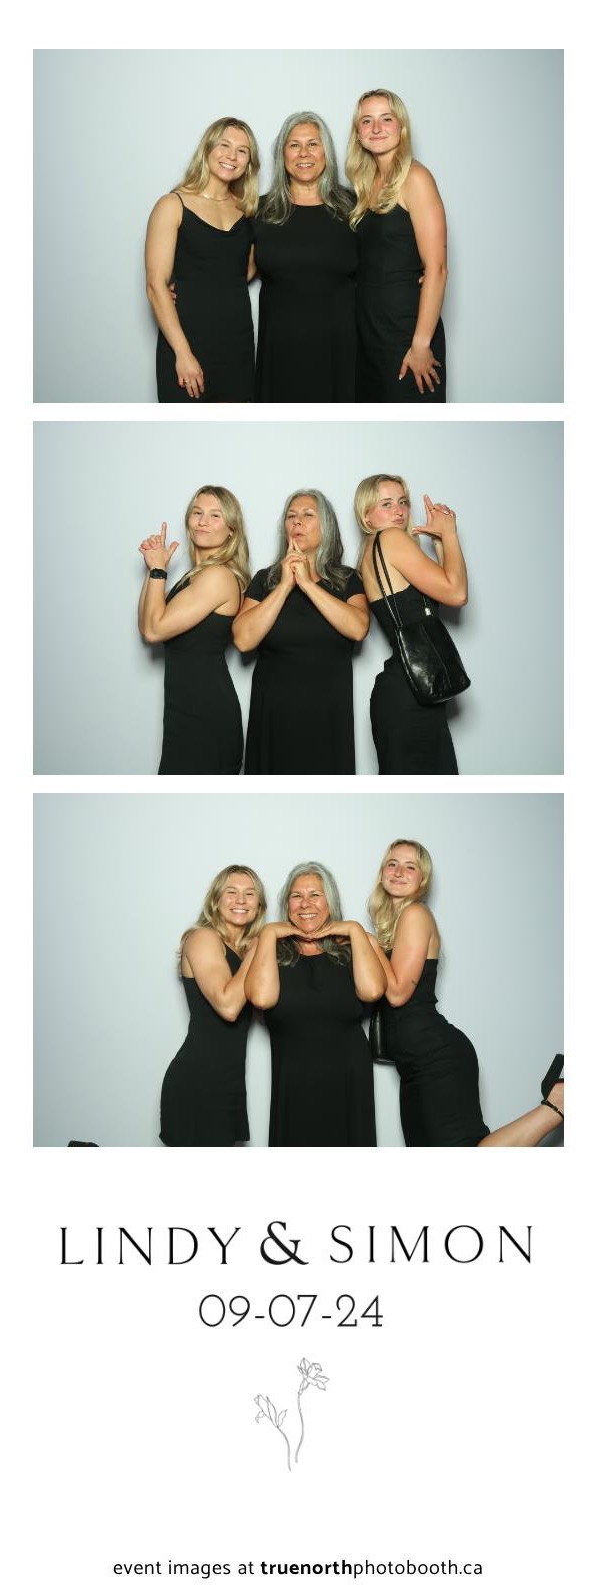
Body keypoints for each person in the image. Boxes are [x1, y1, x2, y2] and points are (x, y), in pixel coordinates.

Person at [369, 840, 564, 1146]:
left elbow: (396, 994)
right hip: (414, 1064)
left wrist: (366, 940)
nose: (399, 872)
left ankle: (557, 1104)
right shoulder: (396, 924)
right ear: (382, 873)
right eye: (392, 864)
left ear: (423, 879)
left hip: (436, 1058)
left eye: (410, 867)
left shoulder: (415, 914)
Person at [246, 863, 384, 1146]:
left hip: (348, 1081)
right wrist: (269, 933)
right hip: (293, 1081)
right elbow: (261, 998)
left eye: (315, 895)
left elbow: (372, 992)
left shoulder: (356, 944)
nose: (305, 903)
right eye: (296, 896)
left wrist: (355, 929)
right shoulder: (266, 947)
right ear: (287, 904)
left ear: (330, 902)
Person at [233, 490, 369, 774]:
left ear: (326, 526)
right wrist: (285, 585)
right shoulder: (266, 579)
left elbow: (358, 628)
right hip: (273, 717)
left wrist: (307, 584)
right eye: (291, 516)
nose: (297, 522)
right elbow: (243, 640)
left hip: (328, 718)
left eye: (308, 515)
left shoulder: (347, 579)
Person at [355, 472, 467, 774]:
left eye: (403, 502)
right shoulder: (391, 539)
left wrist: (439, 541)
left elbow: (440, 591)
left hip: (409, 690)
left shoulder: (373, 548)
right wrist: (450, 533)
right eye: (387, 504)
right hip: (411, 694)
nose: (399, 511)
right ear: (366, 515)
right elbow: (457, 593)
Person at [145, 117, 259, 402]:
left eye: (242, 150)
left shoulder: (248, 212)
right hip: (187, 343)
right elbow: (156, 286)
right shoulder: (172, 205)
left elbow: (243, 271)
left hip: (238, 345)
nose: (232, 156)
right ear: (207, 149)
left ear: (249, 162)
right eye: (224, 145)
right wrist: (183, 354)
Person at [139, 485, 249, 775]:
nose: (203, 521)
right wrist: (154, 568)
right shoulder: (194, 577)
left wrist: (159, 571)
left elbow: (154, 630)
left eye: (215, 515)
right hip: (184, 711)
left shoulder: (218, 576)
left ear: (231, 530)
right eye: (197, 512)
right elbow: (148, 623)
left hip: (206, 716)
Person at [347, 89, 447, 402]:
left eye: (386, 119)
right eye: (367, 121)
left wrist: (421, 343)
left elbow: (437, 268)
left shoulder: (416, 178)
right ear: (358, 133)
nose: (376, 128)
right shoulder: (365, 184)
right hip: (368, 331)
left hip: (406, 332)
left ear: (401, 127)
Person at [252, 112, 357, 400]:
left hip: (341, 348)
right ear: (282, 154)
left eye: (313, 144)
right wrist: (187, 284)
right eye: (294, 145)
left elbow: (385, 255)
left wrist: (416, 272)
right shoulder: (260, 211)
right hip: (280, 349)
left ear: (326, 152)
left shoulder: (354, 207)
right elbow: (233, 270)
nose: (304, 153)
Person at [160, 866, 266, 1146]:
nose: (240, 900)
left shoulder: (244, 951)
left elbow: (265, 1012)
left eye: (249, 894)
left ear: (259, 905)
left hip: (229, 1083)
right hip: (197, 1080)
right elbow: (228, 1007)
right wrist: (256, 952)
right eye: (231, 892)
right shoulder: (202, 938)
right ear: (216, 900)